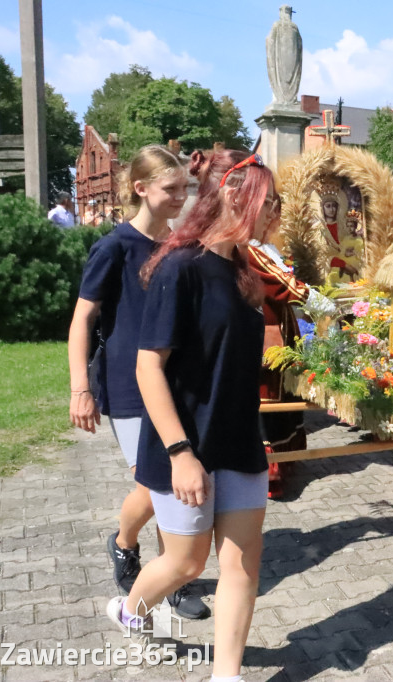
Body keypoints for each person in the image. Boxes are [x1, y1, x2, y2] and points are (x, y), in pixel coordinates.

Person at [106, 150, 279, 682]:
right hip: (184, 443)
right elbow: (148, 368)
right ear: (234, 197)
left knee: (242, 563)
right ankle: (130, 610)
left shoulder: (248, 274)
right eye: (270, 202)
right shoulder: (179, 267)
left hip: (239, 438)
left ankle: (225, 675)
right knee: (187, 562)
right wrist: (181, 453)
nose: (277, 212)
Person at [67, 145, 208, 621]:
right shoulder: (114, 246)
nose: (179, 197)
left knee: (169, 479)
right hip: (128, 385)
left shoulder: (183, 245)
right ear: (140, 188)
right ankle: (128, 545)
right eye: (171, 189)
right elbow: (82, 319)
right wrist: (79, 389)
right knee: (155, 484)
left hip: (175, 379)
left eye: (185, 188)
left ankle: (172, 573)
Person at [247, 234, 335, 499]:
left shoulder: (265, 247)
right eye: (268, 207)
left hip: (281, 329)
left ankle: (286, 461)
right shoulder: (251, 251)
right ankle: (268, 474)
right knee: (269, 396)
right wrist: (319, 301)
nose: (274, 216)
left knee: (283, 393)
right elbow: (280, 284)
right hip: (264, 334)